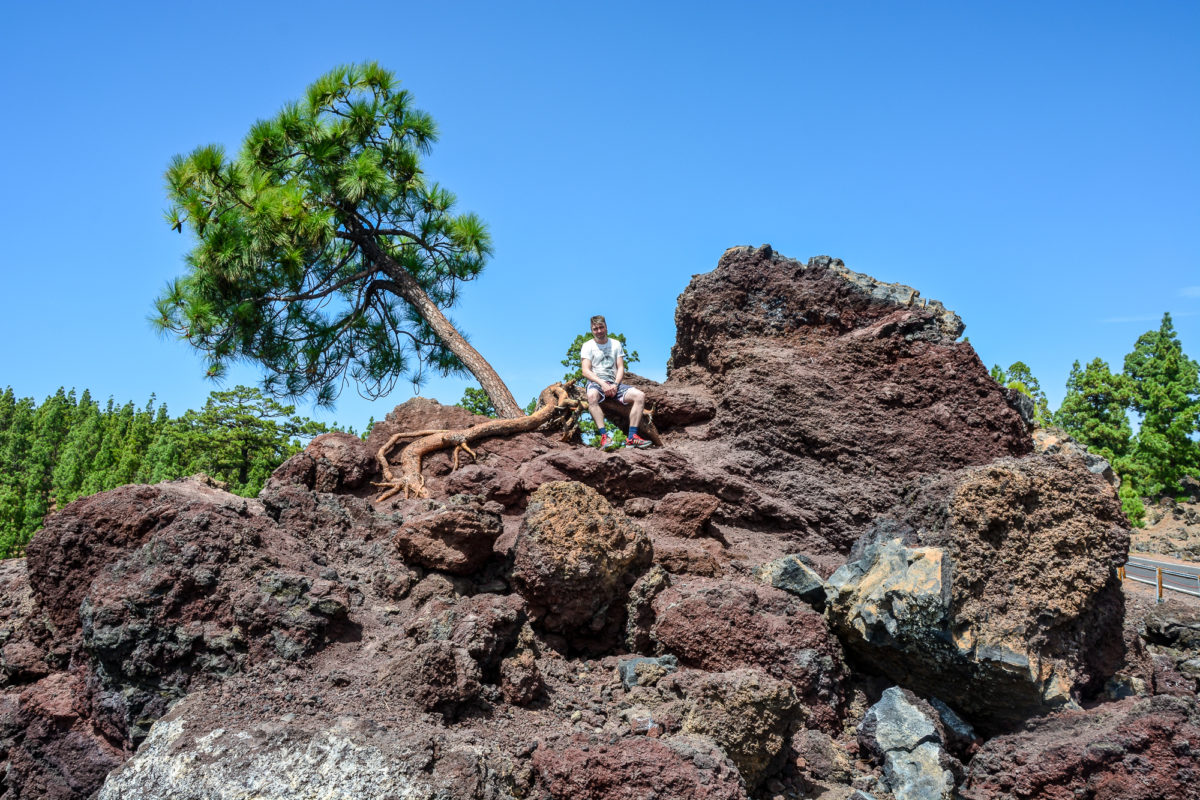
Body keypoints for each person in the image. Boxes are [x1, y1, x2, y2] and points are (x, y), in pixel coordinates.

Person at [580, 315, 652, 449]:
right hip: (597, 382)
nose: (599, 331)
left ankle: (632, 438)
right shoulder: (587, 346)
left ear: (606, 327)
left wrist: (615, 384)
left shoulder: (615, 344)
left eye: (601, 327)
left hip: (614, 383)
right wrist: (602, 383)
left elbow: (620, 367)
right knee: (591, 396)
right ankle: (605, 437)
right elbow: (585, 371)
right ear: (592, 330)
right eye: (595, 329)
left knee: (640, 396)